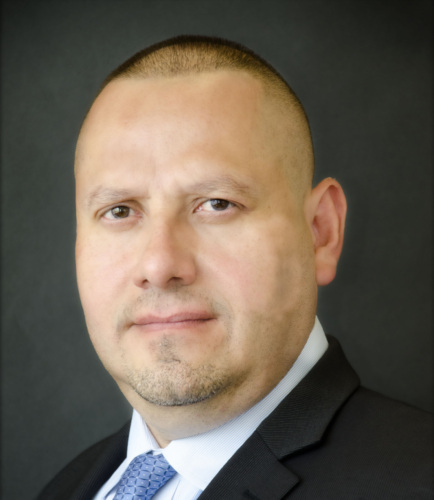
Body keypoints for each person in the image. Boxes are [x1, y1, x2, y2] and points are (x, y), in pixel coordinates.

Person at [37, 35, 432, 500]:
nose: (160, 264)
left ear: (320, 233)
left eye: (217, 204)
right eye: (120, 211)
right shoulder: (68, 488)